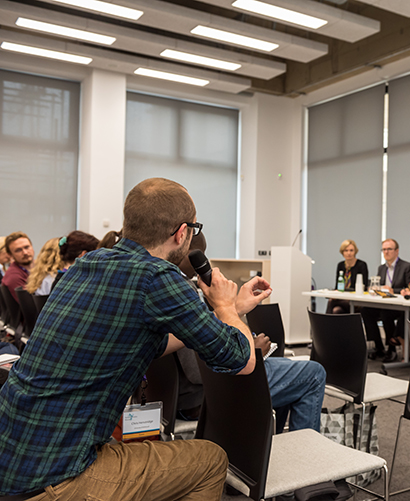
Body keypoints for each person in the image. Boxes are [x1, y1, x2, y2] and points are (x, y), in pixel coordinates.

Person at [0, 178, 271, 498]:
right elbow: (243, 360)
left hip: (12, 452)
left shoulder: (88, 263)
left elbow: (153, 342)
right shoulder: (158, 277)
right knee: (210, 460)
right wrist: (227, 307)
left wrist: (227, 312)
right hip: (56, 473)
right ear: (182, 233)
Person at [175, 232, 326, 432]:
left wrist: (232, 308)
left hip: (183, 396)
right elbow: (197, 371)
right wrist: (250, 352)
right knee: (313, 374)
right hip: (205, 396)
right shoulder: (184, 292)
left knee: (287, 366)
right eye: (202, 255)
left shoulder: (164, 284)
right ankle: (301, 457)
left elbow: (193, 337)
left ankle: (272, 444)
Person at [361, 239, 410, 362]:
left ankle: (392, 350)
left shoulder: (407, 267)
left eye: (389, 249)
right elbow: (380, 287)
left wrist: (393, 291)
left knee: (386, 314)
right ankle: (379, 347)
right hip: (384, 303)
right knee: (366, 311)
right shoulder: (381, 268)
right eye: (384, 249)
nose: (386, 252)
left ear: (397, 251)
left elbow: (409, 289)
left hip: (399, 306)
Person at [327, 239, 368, 315]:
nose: (349, 253)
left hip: (355, 300)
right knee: (336, 310)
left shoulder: (361, 265)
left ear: (355, 251)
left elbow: (364, 286)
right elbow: (337, 285)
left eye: (351, 250)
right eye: (346, 250)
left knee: (331, 302)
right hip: (342, 299)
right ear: (342, 252)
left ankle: (324, 325)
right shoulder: (341, 265)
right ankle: (331, 326)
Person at [1, 231, 35, 303]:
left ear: (32, 247)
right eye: (18, 250)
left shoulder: (38, 266)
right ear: (10, 255)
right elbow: (30, 306)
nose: (25, 252)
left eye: (27, 247)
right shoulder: (13, 276)